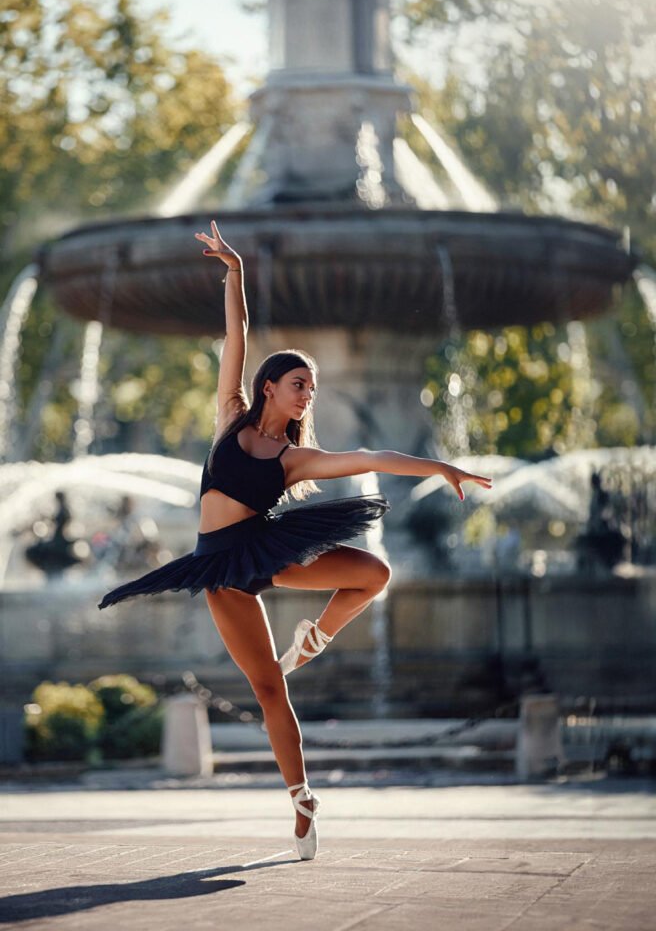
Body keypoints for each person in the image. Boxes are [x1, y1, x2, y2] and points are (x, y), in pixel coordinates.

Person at [98, 220, 493, 860]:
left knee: (373, 574)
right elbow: (237, 335)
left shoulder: (293, 460)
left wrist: (441, 467)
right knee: (266, 689)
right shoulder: (229, 418)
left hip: (268, 548)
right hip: (221, 567)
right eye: (299, 385)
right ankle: (302, 799)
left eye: (311, 388)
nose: (308, 396)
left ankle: (315, 636)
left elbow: (372, 455)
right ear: (269, 388)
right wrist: (235, 270)